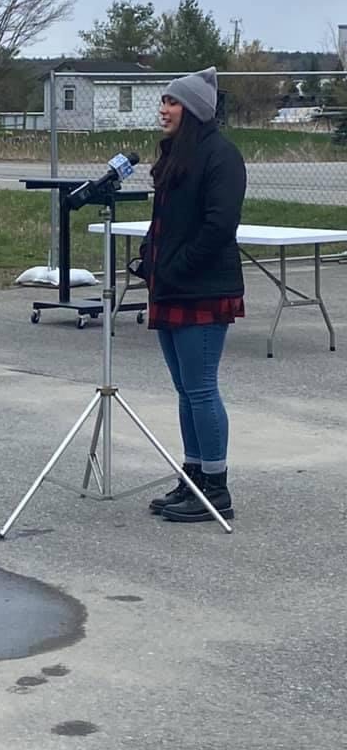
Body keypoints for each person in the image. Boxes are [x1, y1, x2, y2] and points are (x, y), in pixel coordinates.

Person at [133, 67, 246, 523]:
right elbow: (165, 221)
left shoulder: (221, 156)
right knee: (184, 389)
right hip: (170, 288)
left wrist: (175, 269)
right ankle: (193, 477)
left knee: (201, 389)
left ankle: (216, 488)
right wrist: (147, 255)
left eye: (172, 102)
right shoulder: (175, 156)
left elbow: (219, 226)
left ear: (194, 110)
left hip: (201, 289)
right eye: (163, 101)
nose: (163, 109)